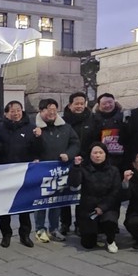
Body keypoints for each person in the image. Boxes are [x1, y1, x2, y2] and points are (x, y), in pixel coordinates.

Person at [32, 98, 79, 243]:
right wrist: (35, 153)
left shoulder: (65, 127)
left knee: (56, 201)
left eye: (54, 109)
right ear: (41, 111)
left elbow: (75, 143)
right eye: (48, 109)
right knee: (41, 201)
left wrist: (69, 155)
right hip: (41, 172)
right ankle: (40, 229)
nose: (52, 112)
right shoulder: (34, 128)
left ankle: (54, 228)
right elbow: (28, 147)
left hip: (59, 171)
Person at [69, 142, 122, 253]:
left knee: (109, 221)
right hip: (88, 207)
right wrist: (76, 167)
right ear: (90, 155)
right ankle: (93, 231)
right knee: (88, 244)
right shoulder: (84, 169)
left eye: (101, 153)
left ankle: (110, 239)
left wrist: (102, 207)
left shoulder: (114, 170)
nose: (98, 156)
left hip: (108, 206)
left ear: (105, 154)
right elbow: (74, 184)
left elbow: (115, 192)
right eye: (95, 153)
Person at [0, 100, 35, 248]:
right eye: (13, 111)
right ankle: (6, 234)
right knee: (5, 207)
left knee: (24, 205)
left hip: (24, 173)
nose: (16, 113)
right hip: (4, 174)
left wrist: (38, 139)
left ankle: (25, 234)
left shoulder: (31, 128)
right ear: (6, 113)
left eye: (18, 110)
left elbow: (37, 149)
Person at [61, 92, 95, 236]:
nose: (80, 106)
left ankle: (80, 223)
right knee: (65, 193)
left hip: (87, 161)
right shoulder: (62, 121)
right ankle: (65, 223)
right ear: (70, 105)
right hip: (67, 161)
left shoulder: (93, 120)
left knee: (84, 195)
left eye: (82, 103)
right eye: (77, 103)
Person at [92, 93, 126, 170]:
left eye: (110, 102)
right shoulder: (93, 119)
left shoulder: (124, 116)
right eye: (104, 104)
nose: (107, 105)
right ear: (99, 105)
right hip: (102, 157)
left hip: (123, 156)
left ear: (114, 102)